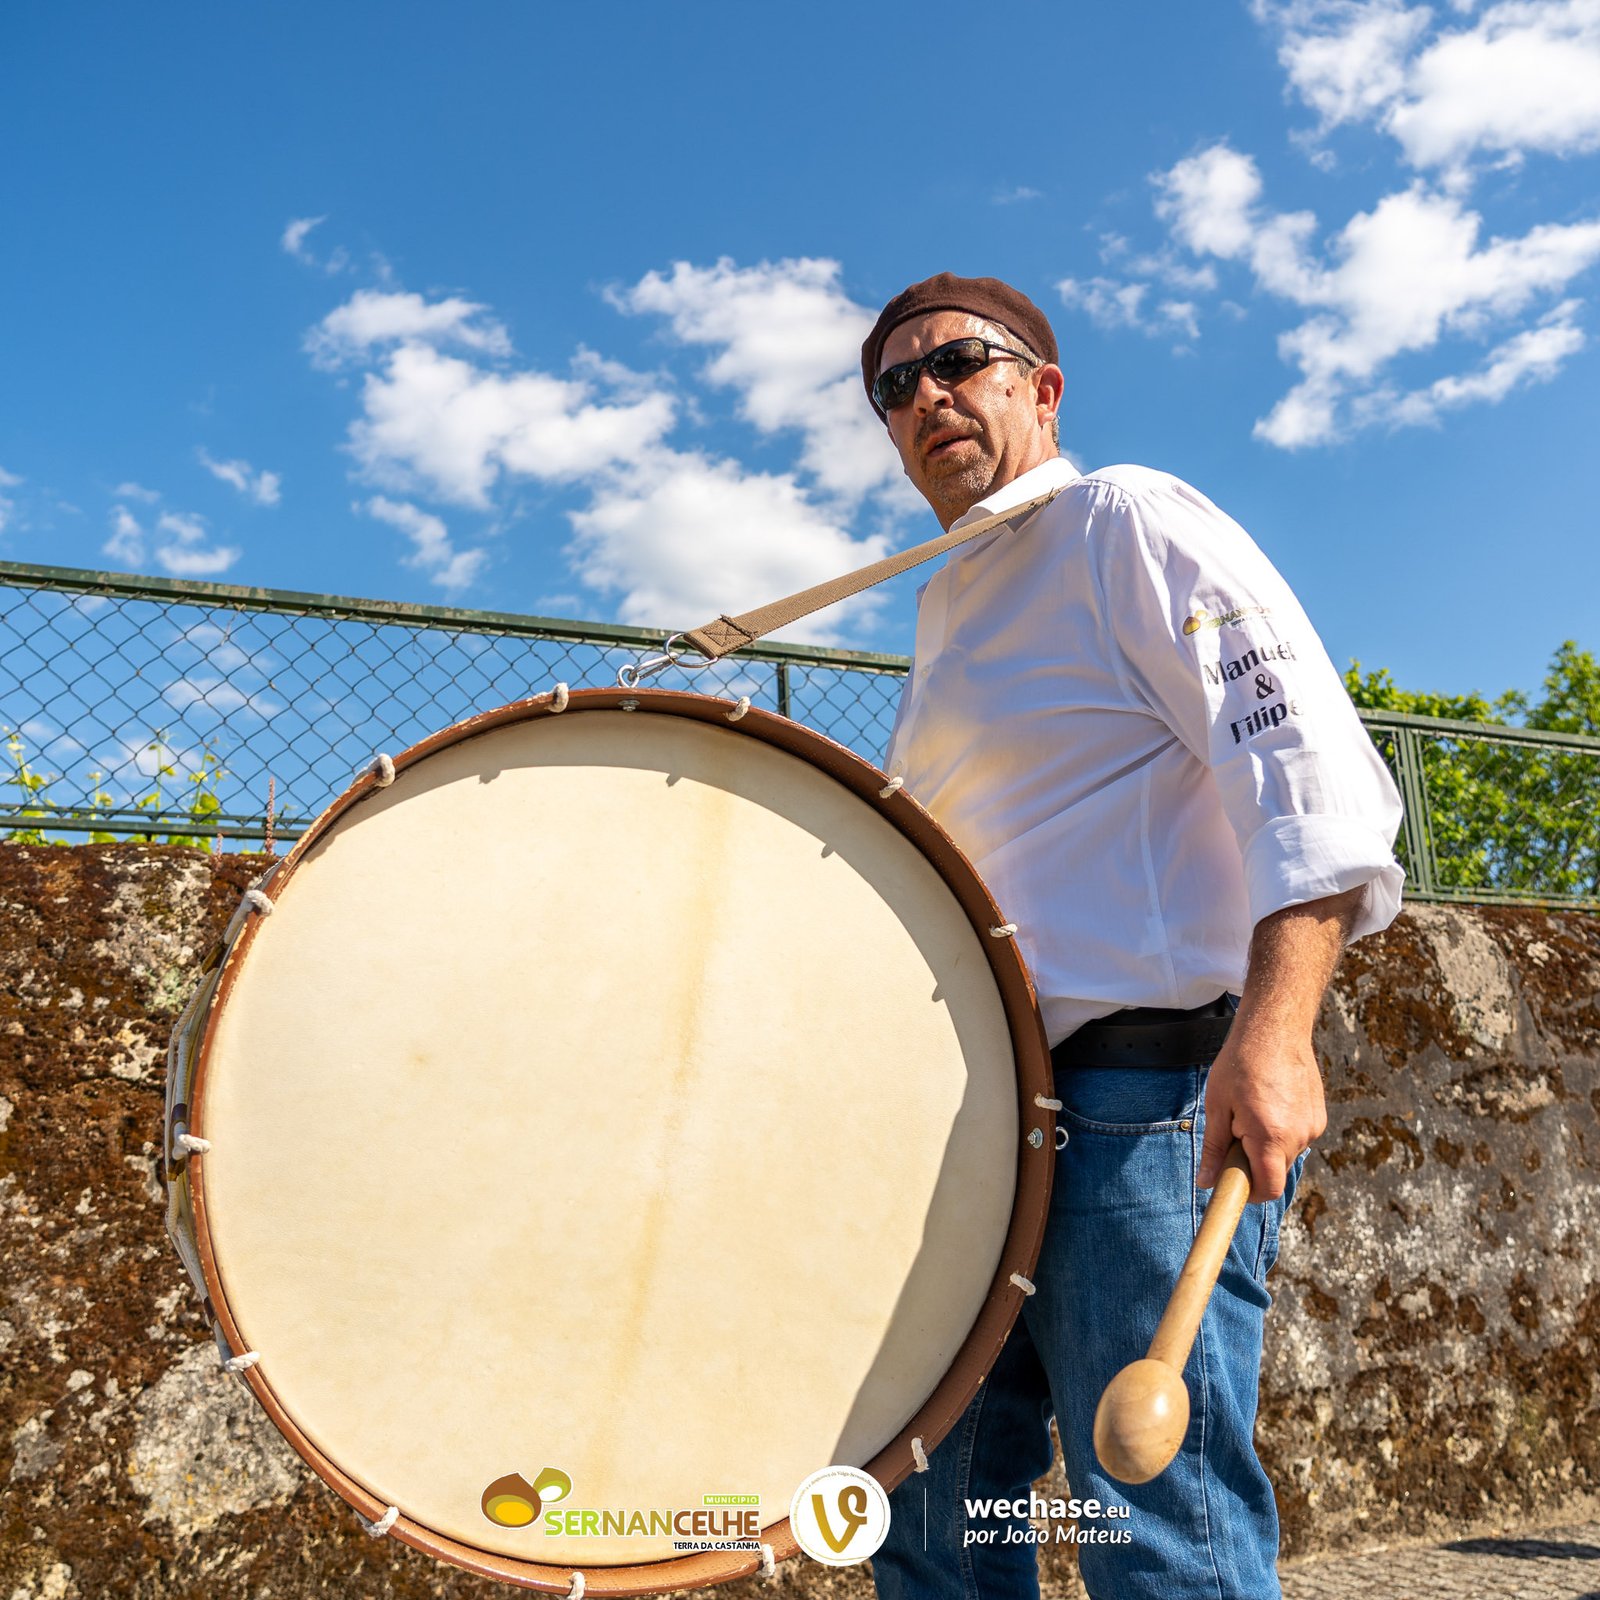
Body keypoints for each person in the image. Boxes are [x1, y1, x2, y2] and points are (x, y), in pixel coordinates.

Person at [859, 274, 1403, 1600]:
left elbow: (1307, 774)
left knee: (1157, 1525)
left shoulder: (1127, 519)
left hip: (1141, 1103)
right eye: (892, 386)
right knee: (937, 1514)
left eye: (958, 363)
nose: (925, 397)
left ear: (1041, 388)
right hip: (981, 1132)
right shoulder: (942, 609)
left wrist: (1274, 1038)